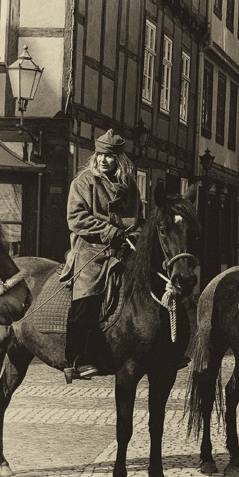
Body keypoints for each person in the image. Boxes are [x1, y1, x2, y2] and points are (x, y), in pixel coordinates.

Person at [61, 130, 142, 382]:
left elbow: (138, 218)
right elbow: (76, 219)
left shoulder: (130, 186)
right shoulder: (84, 183)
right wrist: (109, 231)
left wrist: (139, 235)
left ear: (120, 159)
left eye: (110, 156)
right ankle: (76, 359)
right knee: (87, 295)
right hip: (90, 249)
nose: (104, 160)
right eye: (100, 155)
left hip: (125, 247)